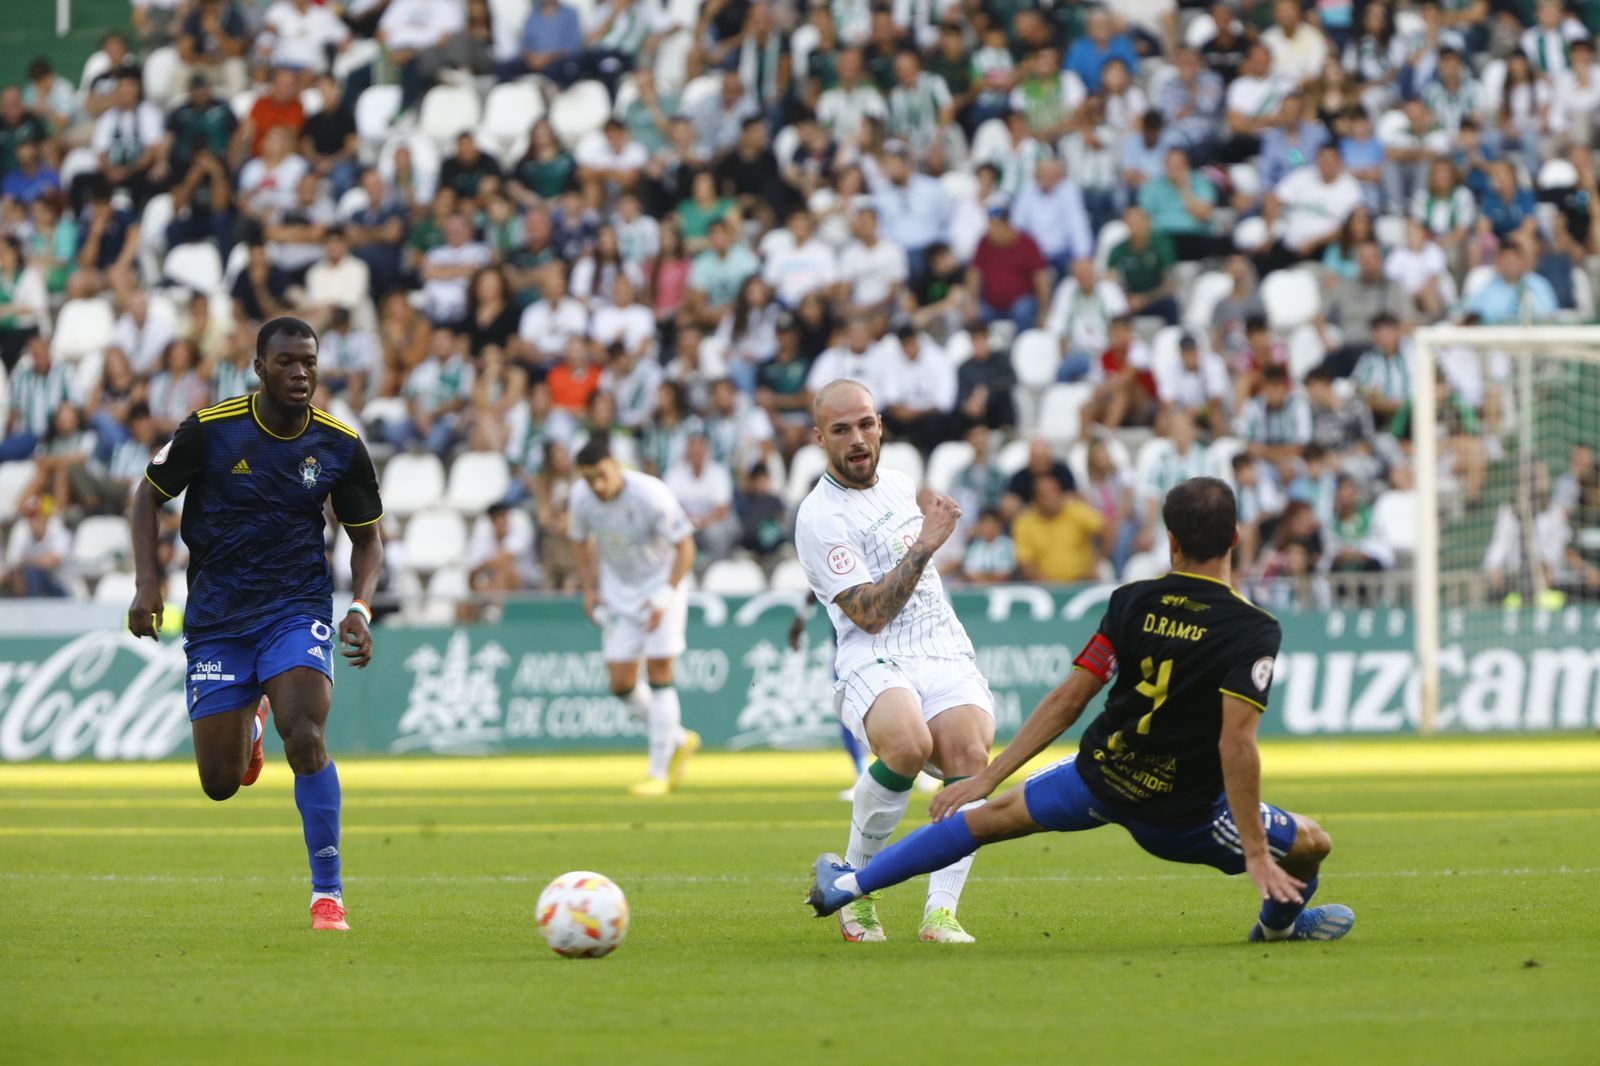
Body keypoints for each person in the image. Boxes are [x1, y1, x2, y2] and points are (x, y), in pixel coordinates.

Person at [807, 477, 1356, 946]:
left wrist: (990, 778)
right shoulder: (1253, 629)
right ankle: (1279, 928)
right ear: (1236, 538)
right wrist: (1256, 852)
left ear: (1170, 540)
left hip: (1100, 778)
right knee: (1312, 844)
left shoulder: (1132, 601)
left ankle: (850, 885)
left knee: (982, 822)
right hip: (1182, 813)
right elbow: (1236, 743)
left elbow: (1070, 698)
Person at [126, 318, 384, 933]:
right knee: (220, 782)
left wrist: (360, 606)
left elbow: (367, 540)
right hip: (218, 618)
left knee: (308, 734)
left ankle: (328, 894)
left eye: (309, 363)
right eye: (287, 361)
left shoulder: (340, 444)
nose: (300, 373)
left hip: (295, 608)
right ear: (260, 367)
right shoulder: (211, 430)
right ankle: (253, 720)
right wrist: (147, 584)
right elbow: (145, 497)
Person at [794, 379, 997, 945]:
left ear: (880, 425)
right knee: (907, 746)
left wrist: (928, 533)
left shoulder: (901, 483)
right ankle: (852, 891)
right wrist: (926, 543)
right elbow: (870, 614)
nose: (857, 439)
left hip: (941, 646)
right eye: (841, 430)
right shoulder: (819, 517)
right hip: (874, 653)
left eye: (865, 424)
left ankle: (941, 913)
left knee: (969, 756)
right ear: (820, 439)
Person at [570, 435, 702, 796]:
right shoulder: (580, 498)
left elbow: (686, 546)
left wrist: (665, 595)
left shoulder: (650, 494)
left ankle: (658, 773)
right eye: (589, 479)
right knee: (621, 684)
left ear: (616, 467)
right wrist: (589, 588)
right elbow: (578, 540)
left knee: (659, 671)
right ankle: (677, 739)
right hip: (618, 595)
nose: (597, 486)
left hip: (662, 587)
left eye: (602, 475)